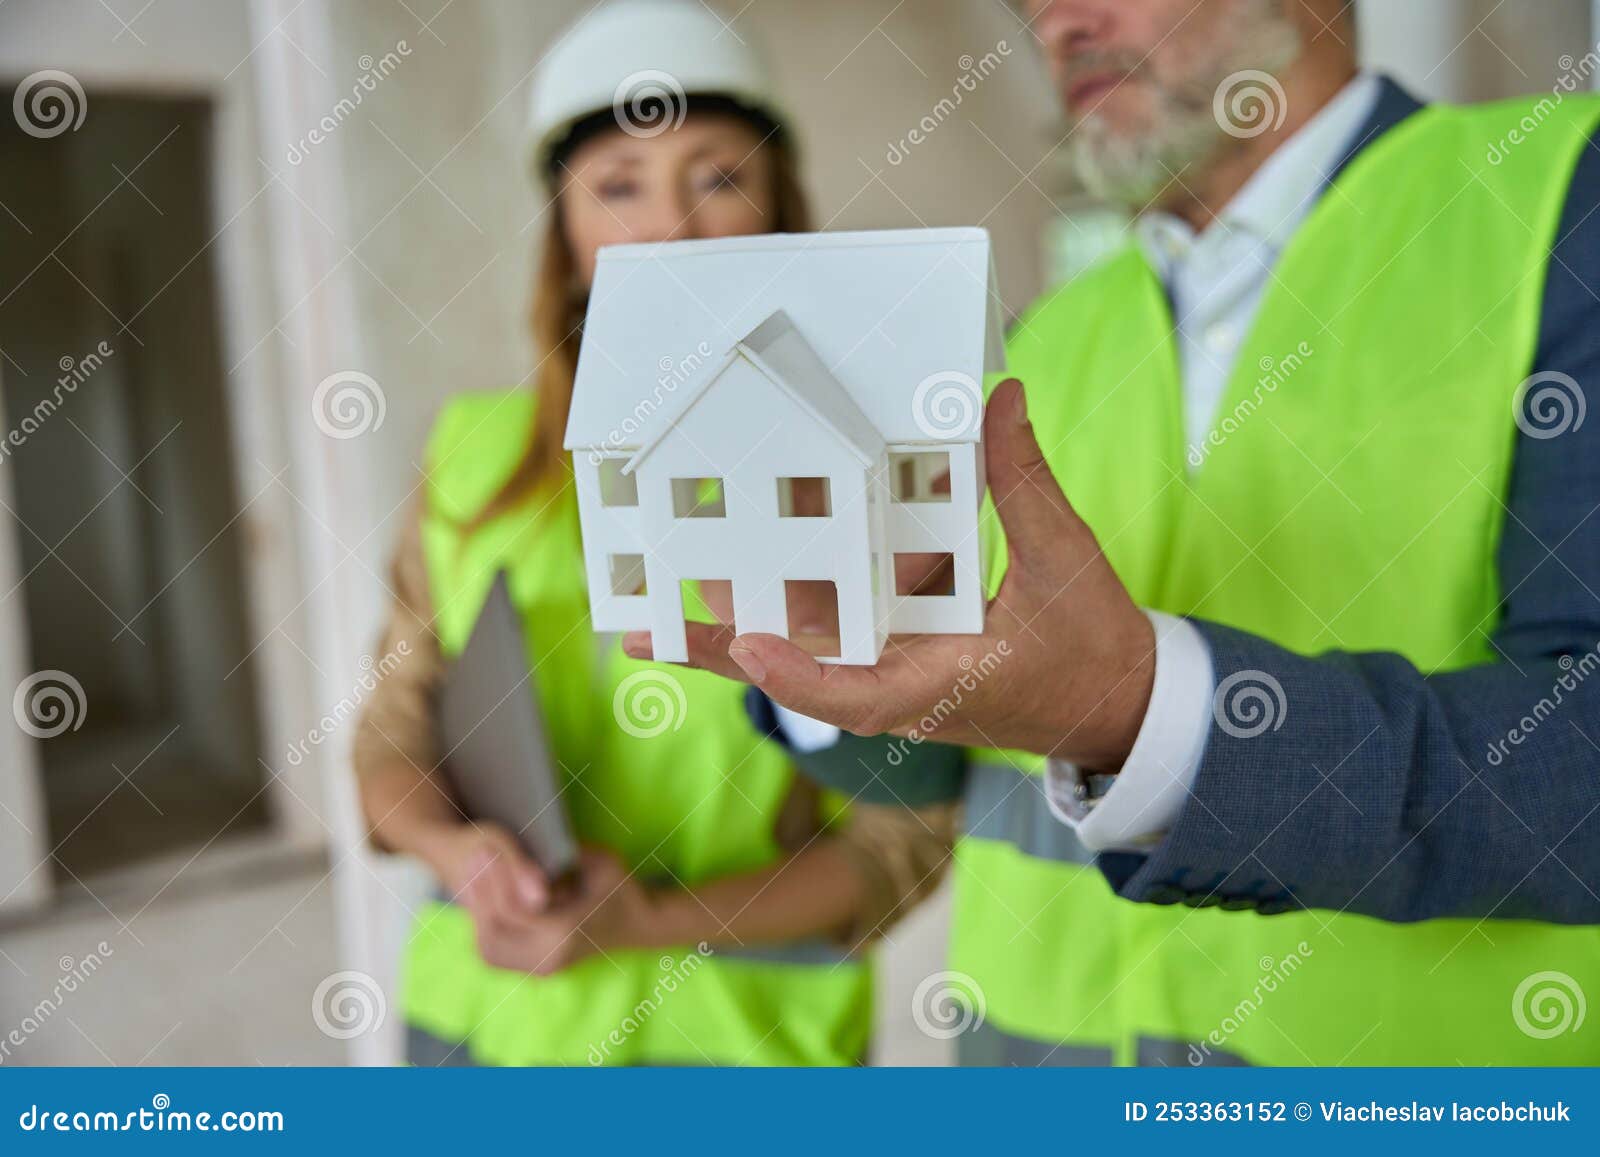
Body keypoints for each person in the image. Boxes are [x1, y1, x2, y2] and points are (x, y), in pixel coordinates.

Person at [630, 0, 1600, 1065]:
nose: (1059, 22)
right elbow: (946, 777)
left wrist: (1145, 712)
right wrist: (833, 654)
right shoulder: (1040, 335)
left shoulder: (1561, 200)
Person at [352, 0, 952, 1067]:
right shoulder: (472, 458)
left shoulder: (876, 481)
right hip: (488, 1044)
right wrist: (457, 849)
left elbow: (901, 836)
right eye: (618, 185)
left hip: (747, 1057)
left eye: (716, 177)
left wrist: (653, 923)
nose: (668, 229)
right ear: (566, 235)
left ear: (779, 211)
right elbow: (389, 731)